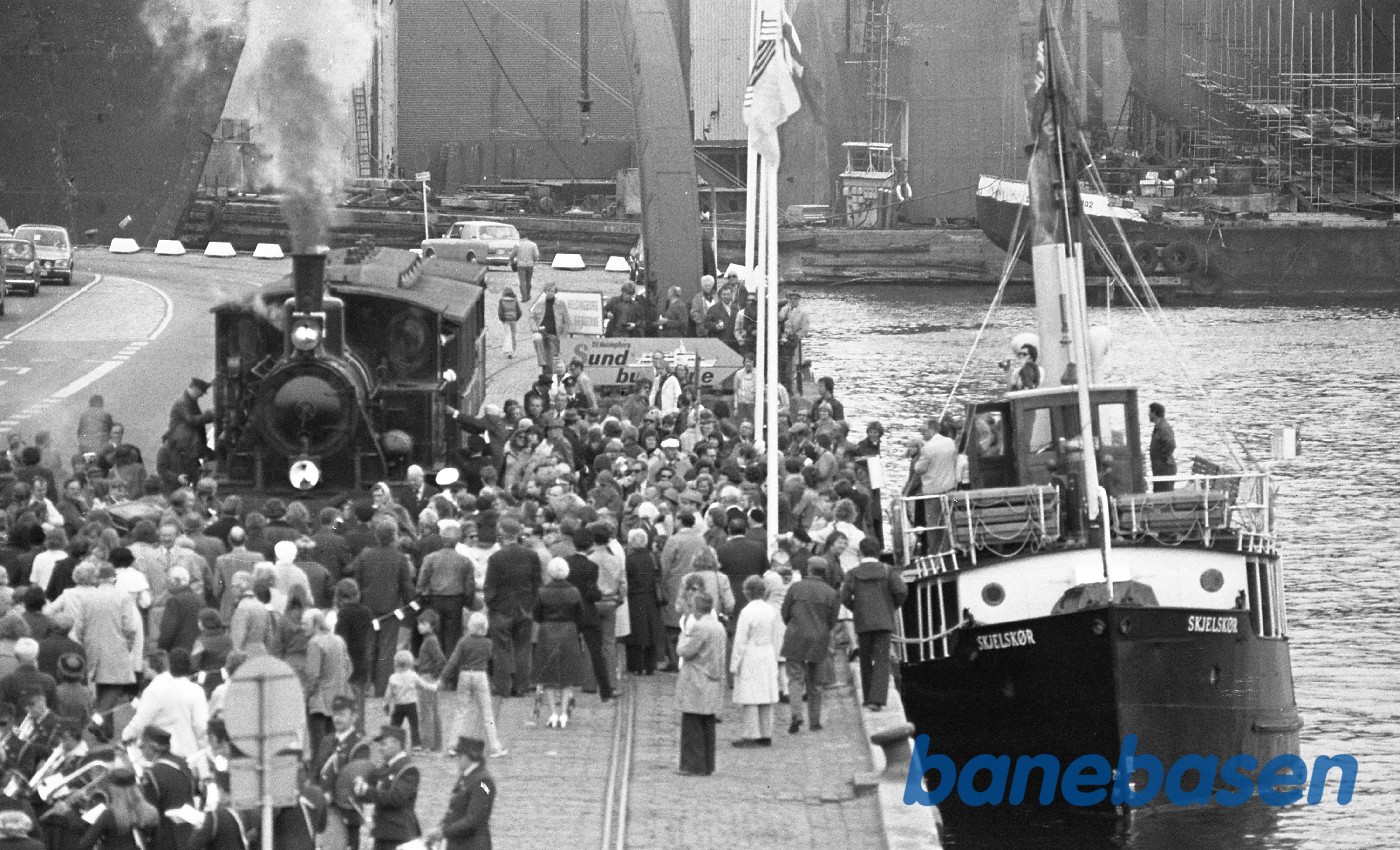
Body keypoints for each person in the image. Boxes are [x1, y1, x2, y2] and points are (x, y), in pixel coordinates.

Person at [841, 538, 907, 712]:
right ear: (878, 552)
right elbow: (901, 591)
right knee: (881, 659)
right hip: (884, 620)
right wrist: (891, 606)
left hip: (863, 620)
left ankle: (867, 696)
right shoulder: (888, 571)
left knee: (865, 659)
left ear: (860, 552)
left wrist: (855, 608)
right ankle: (877, 699)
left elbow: (845, 596)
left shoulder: (853, 573)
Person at [780, 557, 839, 734]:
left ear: (809, 569)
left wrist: (793, 625)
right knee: (815, 682)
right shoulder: (831, 593)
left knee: (795, 678)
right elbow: (832, 621)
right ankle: (815, 721)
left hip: (796, 636)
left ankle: (796, 715)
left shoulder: (796, 588)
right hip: (818, 638)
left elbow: (785, 612)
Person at [484, 517, 541, 697]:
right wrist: (531, 604)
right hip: (525, 607)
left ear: (502, 533)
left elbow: (490, 586)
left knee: (501, 649)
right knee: (523, 648)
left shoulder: (496, 558)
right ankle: (522, 685)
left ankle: (503, 687)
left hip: (501, 609)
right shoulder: (532, 555)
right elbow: (537, 583)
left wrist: (491, 603)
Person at [441, 612, 507, 757]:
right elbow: (491, 658)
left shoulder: (463, 642)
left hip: (465, 675)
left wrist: (444, 677)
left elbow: (453, 660)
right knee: (487, 713)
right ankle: (495, 746)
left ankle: (453, 745)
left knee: (461, 712)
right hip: (481, 675)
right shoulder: (488, 643)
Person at [675, 591, 725, 775]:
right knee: (707, 725)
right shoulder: (718, 626)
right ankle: (707, 764)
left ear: (696, 607)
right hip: (711, 677)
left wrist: (683, 635)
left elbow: (684, 650)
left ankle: (693, 765)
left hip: (697, 677)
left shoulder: (700, 627)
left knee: (692, 725)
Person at [314, 695, 372, 850]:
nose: (337, 719)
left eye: (342, 714)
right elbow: (317, 772)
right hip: (324, 809)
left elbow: (354, 778)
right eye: (335, 714)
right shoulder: (327, 740)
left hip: (345, 809)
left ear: (354, 717)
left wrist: (331, 795)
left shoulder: (359, 745)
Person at [729, 575, 781, 747]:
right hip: (767, 652)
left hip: (751, 653)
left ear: (747, 592)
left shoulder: (747, 611)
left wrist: (734, 664)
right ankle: (766, 733)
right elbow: (775, 636)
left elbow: (740, 640)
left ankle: (751, 734)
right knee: (766, 693)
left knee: (750, 695)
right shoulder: (770, 610)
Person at [533, 558, 584, 729]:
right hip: (569, 631)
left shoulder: (542, 591)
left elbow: (537, 615)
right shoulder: (574, 591)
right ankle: (563, 713)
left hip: (547, 632)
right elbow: (580, 615)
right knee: (567, 674)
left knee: (548, 674)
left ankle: (553, 713)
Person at [354, 725, 421, 850]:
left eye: (384, 744)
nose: (380, 748)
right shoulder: (384, 768)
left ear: (397, 744)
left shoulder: (408, 769)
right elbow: (370, 787)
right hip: (382, 834)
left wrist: (366, 790)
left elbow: (396, 798)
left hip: (399, 835)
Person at [426, 736, 495, 850]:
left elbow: (473, 820)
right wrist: (441, 827)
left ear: (470, 757)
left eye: (460, 756)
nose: (457, 759)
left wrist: (444, 832)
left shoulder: (483, 781)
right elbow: (454, 810)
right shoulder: (467, 776)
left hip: (472, 844)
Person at [622, 528, 663, 676]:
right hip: (652, 597)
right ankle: (650, 665)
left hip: (634, 597)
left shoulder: (629, 560)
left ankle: (636, 665)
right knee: (651, 631)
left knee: (636, 633)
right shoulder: (653, 557)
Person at [165, 377, 214, 484]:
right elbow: (192, 420)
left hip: (188, 445)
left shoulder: (189, 401)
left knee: (197, 470)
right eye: (202, 392)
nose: (202, 395)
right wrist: (209, 414)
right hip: (185, 446)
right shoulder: (183, 403)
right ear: (195, 388)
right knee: (193, 473)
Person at [385, 649, 436, 750]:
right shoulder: (413, 675)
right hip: (411, 705)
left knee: (395, 725)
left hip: (398, 705)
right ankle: (416, 744)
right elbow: (424, 685)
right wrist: (434, 686)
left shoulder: (393, 677)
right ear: (410, 662)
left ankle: (391, 742)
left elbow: (388, 694)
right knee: (414, 726)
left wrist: (386, 704)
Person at [530, 282, 570, 370]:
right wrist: (535, 328)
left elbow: (566, 321)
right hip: (541, 332)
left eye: (552, 291)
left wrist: (563, 335)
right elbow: (532, 316)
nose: (550, 293)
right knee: (537, 338)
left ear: (555, 292)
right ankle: (542, 363)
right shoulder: (540, 303)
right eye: (548, 290)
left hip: (554, 334)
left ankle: (550, 372)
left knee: (552, 359)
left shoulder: (560, 304)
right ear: (545, 291)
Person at [1148, 402, 1177, 492]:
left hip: (1165, 469)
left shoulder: (1164, 428)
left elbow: (1171, 444)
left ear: (1154, 413)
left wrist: (1163, 456)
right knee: (1158, 493)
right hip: (1159, 468)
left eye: (1150, 412)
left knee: (1164, 496)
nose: (1148, 414)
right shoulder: (1159, 427)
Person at [508, 234, 540, 301]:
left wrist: (512, 261)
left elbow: (511, 256)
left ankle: (524, 297)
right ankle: (528, 295)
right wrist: (533, 260)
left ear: (520, 237)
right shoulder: (533, 244)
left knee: (522, 282)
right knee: (528, 281)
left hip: (521, 265)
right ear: (527, 237)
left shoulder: (517, 245)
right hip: (530, 264)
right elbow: (537, 255)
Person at [497, 286, 522, 358]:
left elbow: (500, 312)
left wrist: (502, 319)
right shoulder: (515, 301)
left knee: (507, 335)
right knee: (513, 335)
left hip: (506, 320)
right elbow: (519, 311)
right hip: (513, 320)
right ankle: (513, 350)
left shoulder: (502, 301)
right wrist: (516, 318)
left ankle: (509, 351)